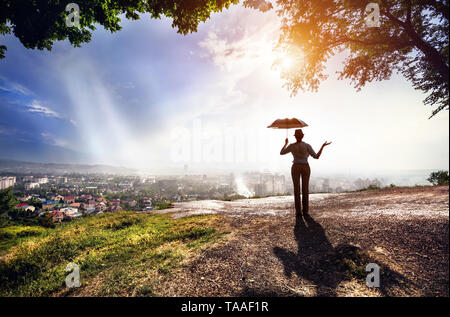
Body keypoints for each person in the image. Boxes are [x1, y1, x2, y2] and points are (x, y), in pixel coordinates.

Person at [280, 129, 331, 216]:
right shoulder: (307, 146)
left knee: (296, 189)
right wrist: (322, 146)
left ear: (295, 136)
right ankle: (305, 211)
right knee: (305, 189)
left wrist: (285, 143)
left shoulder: (291, 146)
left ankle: (298, 211)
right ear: (303, 136)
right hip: (305, 166)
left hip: (295, 166)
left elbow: (282, 153)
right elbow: (316, 156)